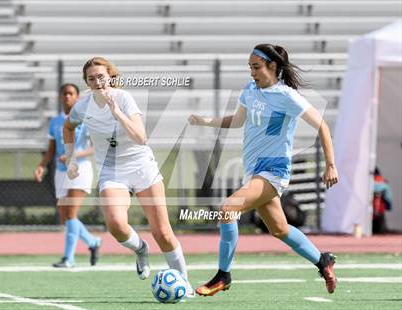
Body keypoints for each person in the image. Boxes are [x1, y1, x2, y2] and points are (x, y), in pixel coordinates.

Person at [189, 44, 339, 296]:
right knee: (279, 229)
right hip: (254, 171)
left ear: (273, 67)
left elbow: (322, 126)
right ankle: (322, 260)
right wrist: (207, 121)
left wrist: (331, 165)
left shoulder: (287, 96)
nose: (252, 73)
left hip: (273, 169)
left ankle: (223, 275)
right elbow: (237, 121)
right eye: (250, 67)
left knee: (228, 209)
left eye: (256, 67)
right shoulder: (250, 90)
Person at [62, 57, 194, 297]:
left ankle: (184, 284)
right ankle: (141, 249)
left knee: (163, 233)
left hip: (142, 167)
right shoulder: (82, 106)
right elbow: (68, 127)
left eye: (101, 76)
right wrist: (71, 158)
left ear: (110, 76)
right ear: (86, 82)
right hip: (112, 171)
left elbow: (141, 137)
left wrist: (117, 112)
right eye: (91, 78)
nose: (97, 82)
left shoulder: (124, 98)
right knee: (115, 224)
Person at [34, 83, 101, 268]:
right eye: (64, 93)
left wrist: (74, 155)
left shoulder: (86, 119)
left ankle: (68, 258)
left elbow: (95, 147)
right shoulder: (55, 122)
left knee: (71, 213)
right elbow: (51, 150)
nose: (67, 97)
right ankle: (93, 242)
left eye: (71, 93)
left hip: (80, 171)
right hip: (60, 172)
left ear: (77, 97)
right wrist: (41, 166)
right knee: (65, 217)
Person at [372, 167, 392, 234]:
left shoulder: (368, 181)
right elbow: (388, 197)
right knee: (380, 231)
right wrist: (389, 206)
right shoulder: (383, 182)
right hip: (380, 210)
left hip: (368, 210)